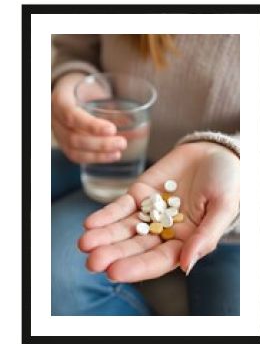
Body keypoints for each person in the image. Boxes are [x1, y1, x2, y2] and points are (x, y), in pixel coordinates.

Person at [51, 34, 240, 316]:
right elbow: (77, 45)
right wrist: (74, 80)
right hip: (125, 166)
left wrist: (238, 154)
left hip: (244, 201)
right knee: (52, 277)